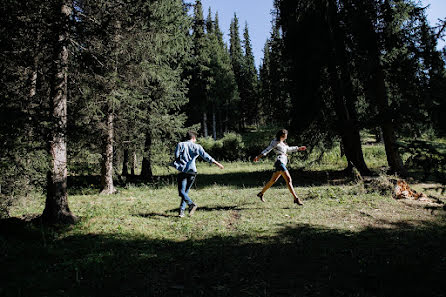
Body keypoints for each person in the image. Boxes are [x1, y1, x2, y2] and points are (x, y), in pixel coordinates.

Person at [172, 131, 224, 217]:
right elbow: (206, 156)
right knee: (185, 192)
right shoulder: (197, 146)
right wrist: (217, 163)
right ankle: (181, 212)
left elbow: (176, 156)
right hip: (192, 171)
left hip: (183, 171)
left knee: (182, 192)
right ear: (193, 138)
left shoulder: (180, 144)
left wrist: (179, 162)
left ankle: (190, 205)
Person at [254, 129, 306, 205]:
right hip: (280, 162)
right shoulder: (275, 142)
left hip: (282, 163)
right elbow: (267, 149)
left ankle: (261, 193)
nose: (286, 137)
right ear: (281, 136)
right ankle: (296, 198)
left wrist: (298, 148)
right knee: (288, 179)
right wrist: (258, 156)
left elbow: (288, 149)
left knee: (273, 181)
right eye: (284, 136)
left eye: (286, 136)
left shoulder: (283, 143)